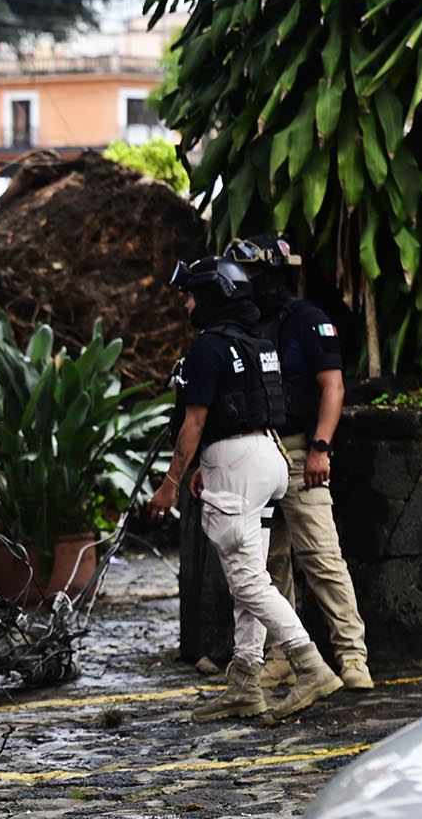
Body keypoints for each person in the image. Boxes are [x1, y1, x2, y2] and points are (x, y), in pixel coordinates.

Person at [146, 255, 343, 721]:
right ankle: (245, 683)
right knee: (250, 576)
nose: (188, 304)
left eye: (192, 295)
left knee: (248, 580)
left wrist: (170, 483)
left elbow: (194, 421)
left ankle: (310, 665)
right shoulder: (258, 343)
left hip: (237, 469)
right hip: (269, 460)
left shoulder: (208, 349)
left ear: (212, 297)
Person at [225, 234, 374, 691]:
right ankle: (283, 659)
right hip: (259, 456)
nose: (246, 281)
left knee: (323, 559)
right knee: (270, 565)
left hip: (299, 454)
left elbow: (333, 386)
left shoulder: (307, 319)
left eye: (253, 271)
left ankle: (352, 658)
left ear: (272, 272)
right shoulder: (248, 325)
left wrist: (321, 447)